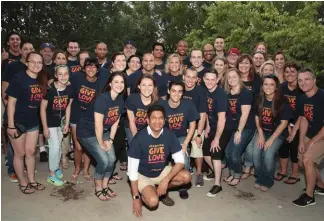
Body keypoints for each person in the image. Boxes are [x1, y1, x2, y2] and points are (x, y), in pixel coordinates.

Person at [128, 104, 191, 217]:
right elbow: (132, 172)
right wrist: (136, 197)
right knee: (153, 202)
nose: (157, 121)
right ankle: (150, 192)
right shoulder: (138, 139)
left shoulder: (169, 135)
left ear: (164, 120)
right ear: (147, 120)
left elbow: (180, 162)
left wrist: (165, 181)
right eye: (154, 118)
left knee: (186, 176)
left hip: (161, 172)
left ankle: (160, 189)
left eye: (160, 118)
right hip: (143, 175)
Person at [77, 71, 126, 201]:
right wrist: (101, 143)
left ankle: (105, 185)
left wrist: (110, 139)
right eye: (116, 81)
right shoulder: (102, 99)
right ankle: (98, 186)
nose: (119, 84)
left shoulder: (120, 101)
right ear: (110, 83)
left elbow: (115, 121)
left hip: (103, 132)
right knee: (104, 160)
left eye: (122, 82)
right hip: (87, 132)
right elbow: (98, 125)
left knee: (112, 159)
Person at [5, 51, 48, 194]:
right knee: (20, 153)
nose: (36, 64)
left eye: (39, 62)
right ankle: (22, 183)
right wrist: (10, 125)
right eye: (33, 61)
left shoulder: (41, 80)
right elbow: (10, 103)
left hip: (33, 122)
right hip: (17, 122)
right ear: (27, 63)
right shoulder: (19, 78)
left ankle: (32, 180)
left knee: (31, 152)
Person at [70, 57, 109, 183]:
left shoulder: (101, 82)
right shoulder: (77, 78)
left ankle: (86, 170)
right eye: (88, 66)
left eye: (93, 67)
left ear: (98, 69)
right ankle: (77, 168)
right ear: (84, 68)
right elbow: (64, 83)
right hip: (76, 116)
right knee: (78, 146)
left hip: (91, 118)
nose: (91, 69)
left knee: (88, 147)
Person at [159, 81, 199, 199]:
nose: (176, 94)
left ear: (183, 93)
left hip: (181, 137)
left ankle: (183, 187)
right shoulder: (162, 105)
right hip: (165, 136)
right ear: (168, 91)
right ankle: (161, 185)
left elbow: (192, 126)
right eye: (174, 91)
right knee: (160, 159)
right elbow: (156, 126)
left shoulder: (188, 104)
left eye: (180, 91)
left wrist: (185, 144)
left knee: (184, 159)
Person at [1, 41, 34, 183]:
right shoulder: (12, 67)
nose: (28, 51)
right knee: (14, 147)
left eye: (30, 49)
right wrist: (10, 113)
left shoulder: (37, 69)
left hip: (30, 117)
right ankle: (12, 170)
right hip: (14, 114)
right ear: (21, 51)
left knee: (27, 149)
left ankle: (27, 173)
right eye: (25, 49)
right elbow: (5, 90)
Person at [292, 68, 324, 207]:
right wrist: (301, 140)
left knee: (308, 159)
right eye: (300, 80)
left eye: (307, 79)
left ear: (314, 80)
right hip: (309, 134)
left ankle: (309, 196)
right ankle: (321, 185)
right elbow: (304, 119)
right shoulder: (302, 98)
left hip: (322, 136)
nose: (303, 83)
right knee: (302, 162)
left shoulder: (322, 97)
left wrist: (311, 142)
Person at [253, 75, 290, 192]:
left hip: (277, 133)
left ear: (276, 87)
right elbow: (256, 117)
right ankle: (260, 177)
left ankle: (268, 180)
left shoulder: (283, 101)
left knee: (268, 154)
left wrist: (271, 139)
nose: (268, 87)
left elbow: (284, 123)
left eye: (272, 84)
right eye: (266, 84)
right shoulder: (258, 98)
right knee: (255, 153)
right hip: (262, 130)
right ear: (262, 86)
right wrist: (260, 134)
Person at [40, 64, 73, 186]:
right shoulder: (49, 89)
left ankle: (56, 167)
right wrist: (44, 127)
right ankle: (51, 175)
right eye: (60, 74)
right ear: (55, 75)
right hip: (50, 123)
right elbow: (42, 109)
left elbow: (68, 106)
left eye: (66, 74)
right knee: (54, 148)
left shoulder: (70, 89)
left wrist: (67, 124)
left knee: (58, 146)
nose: (63, 76)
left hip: (61, 123)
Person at [223, 68, 255, 186]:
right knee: (227, 152)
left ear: (240, 78)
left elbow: (245, 114)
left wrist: (239, 131)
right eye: (229, 77)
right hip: (235, 127)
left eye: (234, 77)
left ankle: (237, 175)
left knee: (235, 153)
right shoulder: (227, 93)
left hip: (245, 127)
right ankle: (232, 173)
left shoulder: (245, 93)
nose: (231, 79)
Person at [202, 69, 230, 197]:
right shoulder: (206, 91)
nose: (209, 82)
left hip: (224, 127)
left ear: (218, 80)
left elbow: (222, 119)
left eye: (213, 79)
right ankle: (216, 169)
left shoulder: (221, 94)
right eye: (207, 79)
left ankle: (218, 184)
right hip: (212, 125)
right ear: (203, 79)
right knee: (204, 153)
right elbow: (207, 111)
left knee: (215, 151)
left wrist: (217, 138)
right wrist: (207, 125)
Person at [275, 62, 303, 184]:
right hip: (285, 121)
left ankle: (295, 174)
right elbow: (279, 106)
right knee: (283, 146)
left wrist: (293, 128)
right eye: (287, 71)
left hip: (300, 122)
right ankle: (283, 170)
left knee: (294, 147)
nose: (289, 74)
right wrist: (287, 125)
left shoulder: (302, 89)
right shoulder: (282, 87)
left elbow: (303, 112)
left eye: (292, 71)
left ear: (297, 73)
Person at [182, 68, 208, 187]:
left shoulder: (200, 92)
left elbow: (203, 115)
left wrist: (198, 134)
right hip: (181, 126)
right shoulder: (179, 89)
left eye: (193, 77)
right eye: (188, 76)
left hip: (196, 126)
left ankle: (199, 173)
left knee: (198, 148)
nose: (190, 80)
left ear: (197, 80)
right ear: (183, 77)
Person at [108, 52, 127, 182]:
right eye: (118, 60)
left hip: (119, 116)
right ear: (113, 62)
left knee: (117, 144)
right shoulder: (105, 75)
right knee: (108, 146)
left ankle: (110, 171)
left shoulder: (124, 77)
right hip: (107, 117)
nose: (121, 63)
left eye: (123, 60)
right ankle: (106, 175)